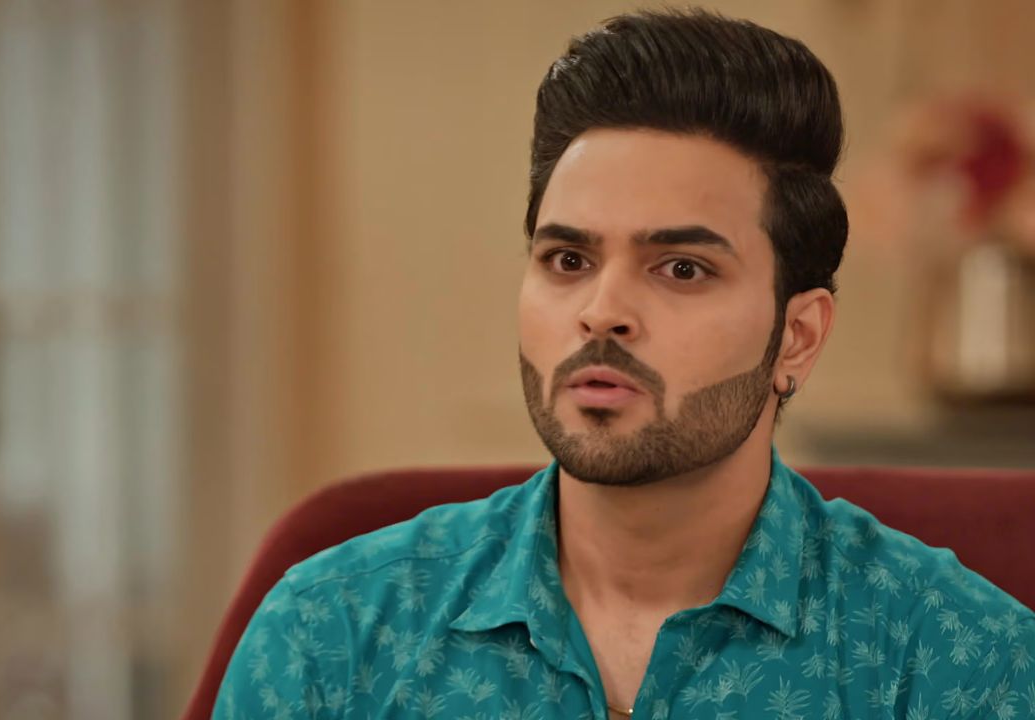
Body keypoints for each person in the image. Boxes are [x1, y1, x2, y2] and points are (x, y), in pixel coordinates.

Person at [212, 9, 1035, 719]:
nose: (601, 310)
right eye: (568, 260)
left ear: (797, 338)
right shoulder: (332, 634)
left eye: (681, 268)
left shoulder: (958, 661)